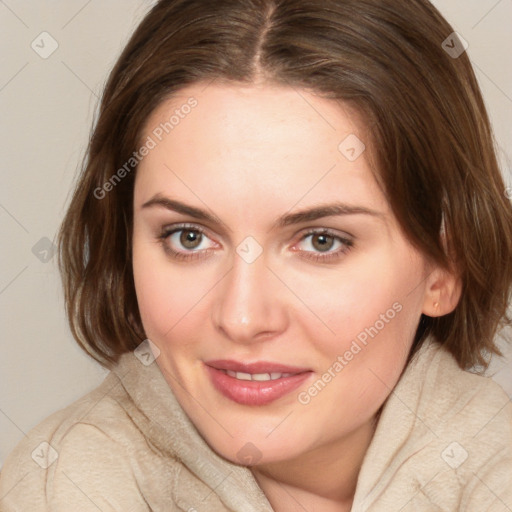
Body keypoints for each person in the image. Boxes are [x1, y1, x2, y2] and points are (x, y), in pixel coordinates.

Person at [1, 0, 511, 510]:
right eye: (189, 237)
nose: (242, 318)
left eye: (321, 241)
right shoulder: (58, 489)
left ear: (446, 267)